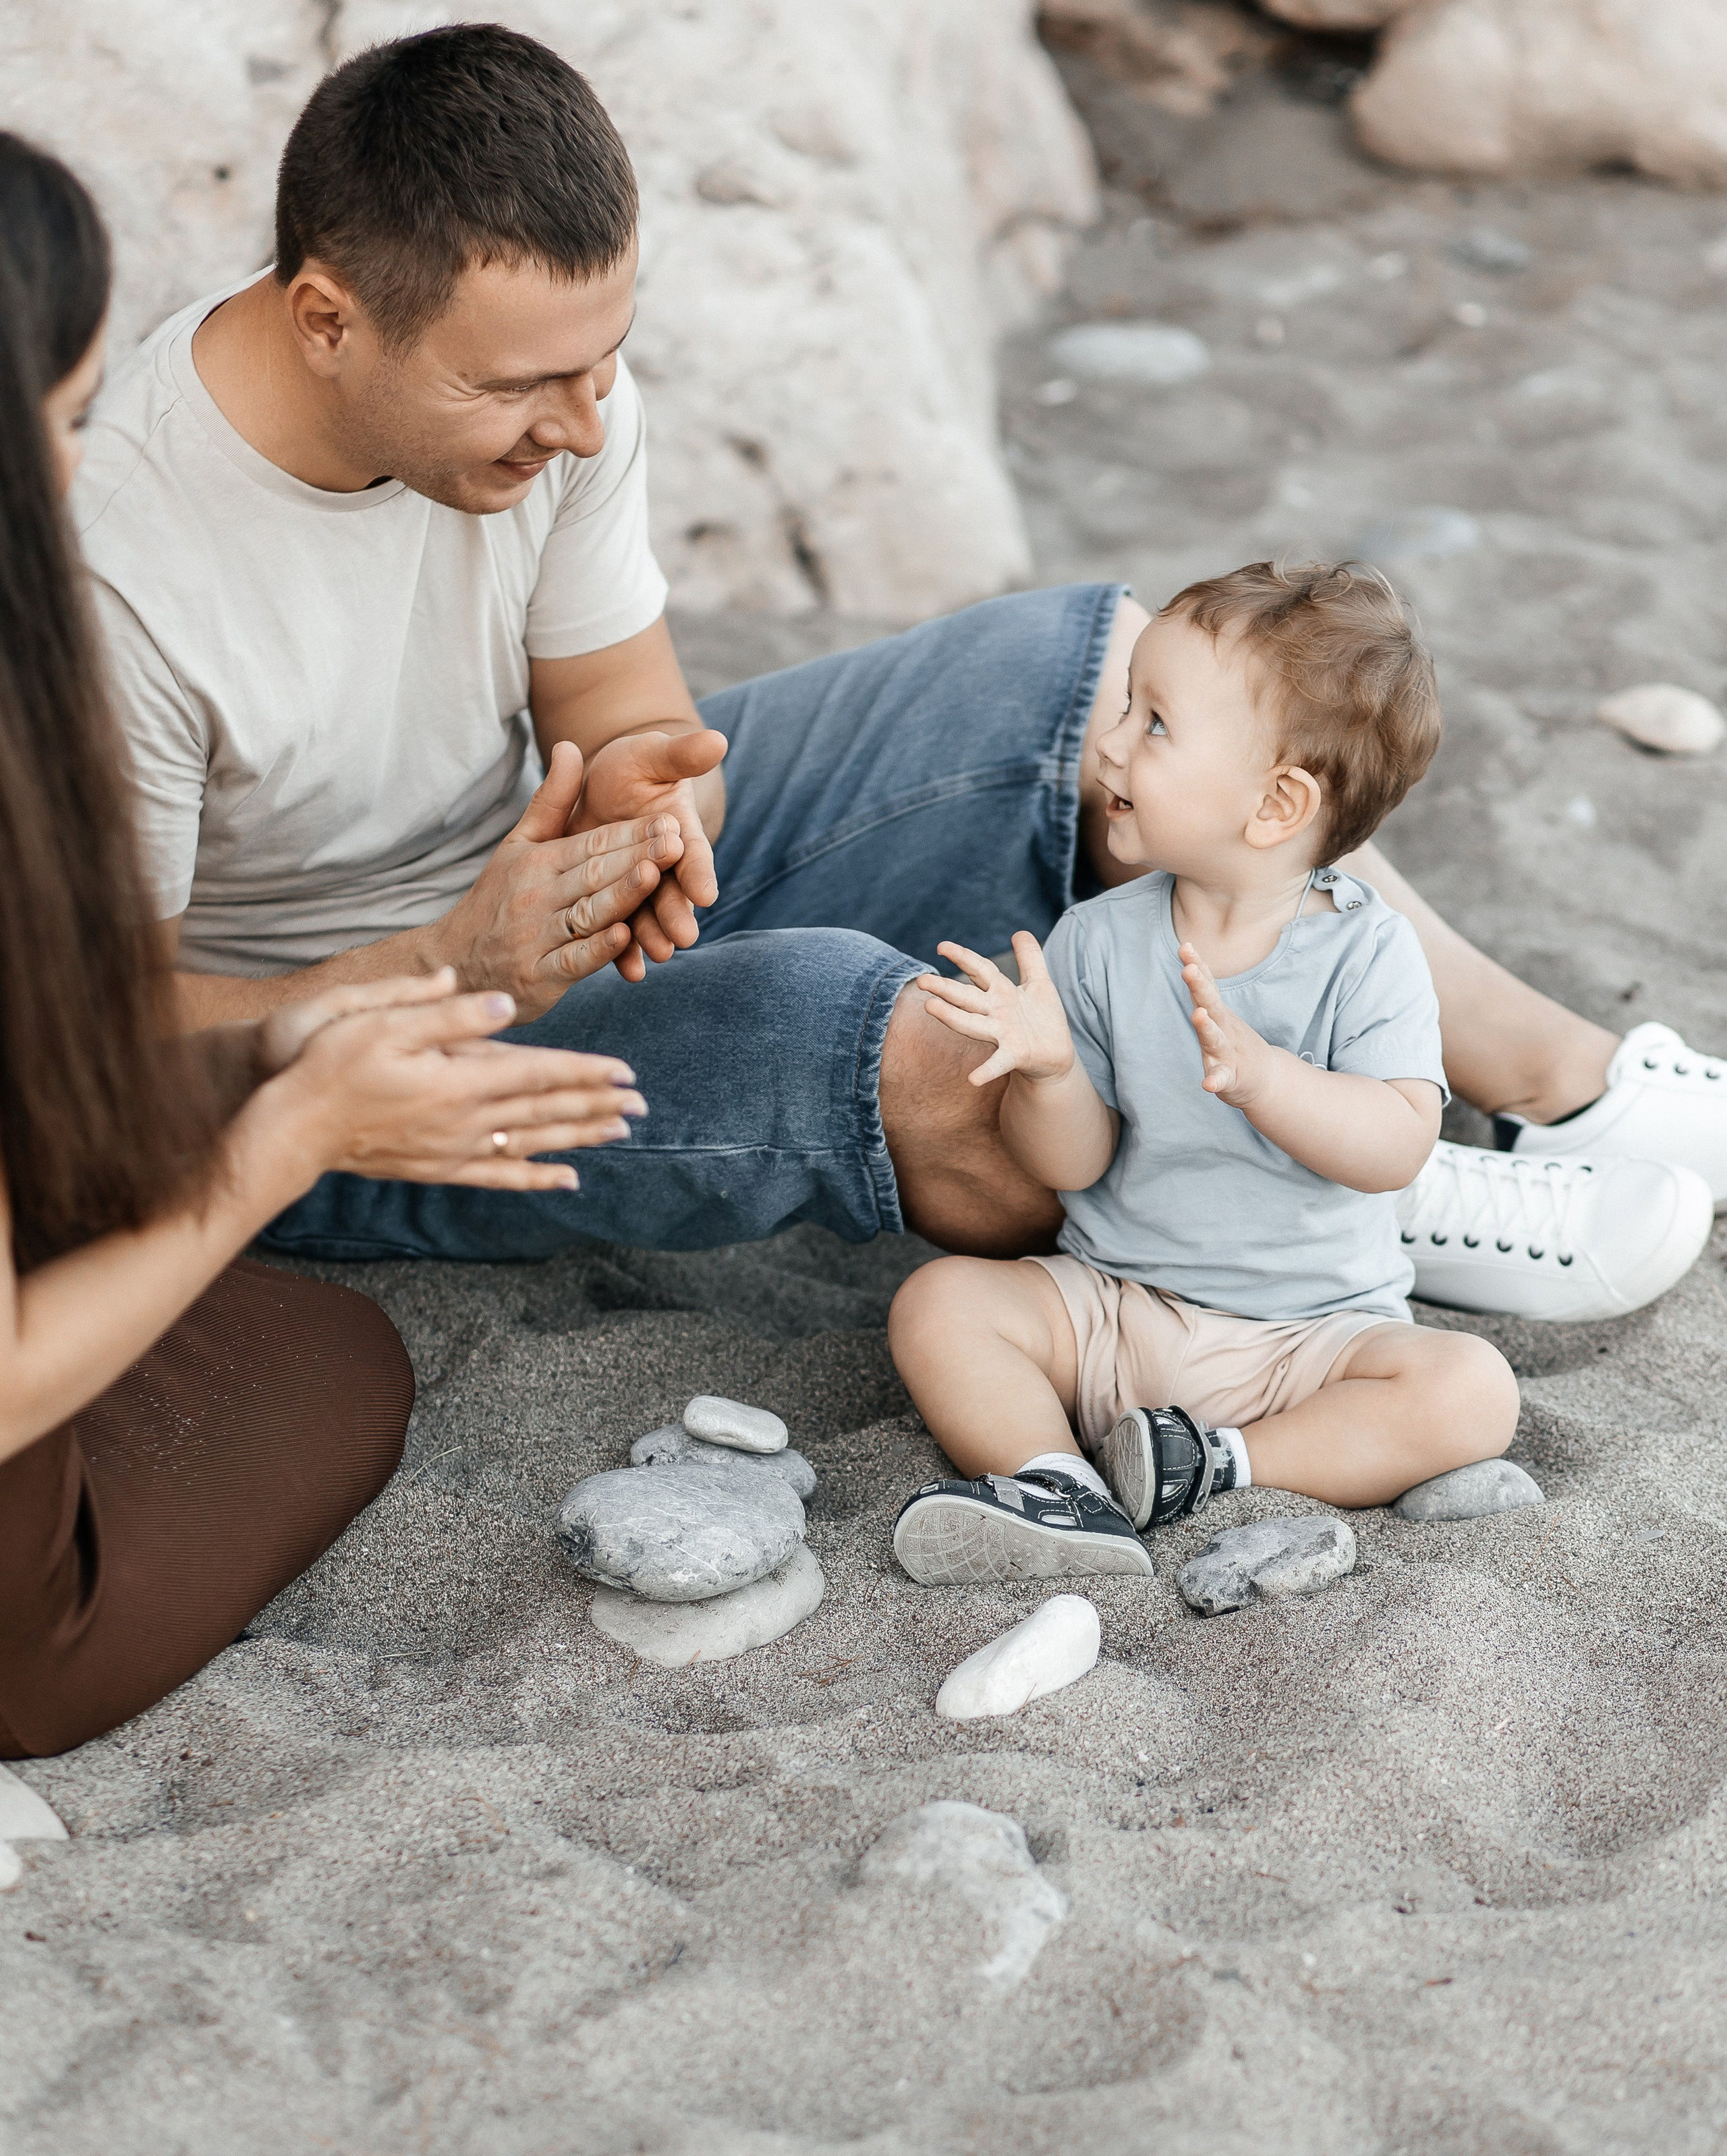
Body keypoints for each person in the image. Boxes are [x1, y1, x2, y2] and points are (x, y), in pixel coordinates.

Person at [74, 24, 1727, 1319]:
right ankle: (1344, 1182)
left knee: (1092, 676)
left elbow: (625, 718)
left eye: (606, 367)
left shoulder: (553, 391)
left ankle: (1558, 1082)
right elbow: (99, 1054)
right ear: (324, 319)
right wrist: (452, 954)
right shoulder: (119, 585)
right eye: (526, 390)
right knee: (921, 1053)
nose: (582, 426)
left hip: (525, 902)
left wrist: (654, 801)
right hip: (318, 1075)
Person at [0, 136, 650, 1759]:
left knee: (1051, 675)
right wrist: (294, 1132)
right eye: (61, 426)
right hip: (26, 1592)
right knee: (334, 1361)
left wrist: (308, 1037)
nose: (79, 476)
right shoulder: (122, 589)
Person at [888, 563, 1548, 1582]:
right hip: (1118, 1306)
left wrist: (1268, 1082)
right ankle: (1061, 1485)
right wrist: (1050, 1072)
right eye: (1125, 706)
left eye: (1154, 724)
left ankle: (1215, 1466)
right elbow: (1074, 1163)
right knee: (939, 1307)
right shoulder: (1099, 939)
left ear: (1277, 804)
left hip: (1307, 1340)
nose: (1109, 743)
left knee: (1471, 1392)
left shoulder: (1370, 954)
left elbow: (1395, 1144)